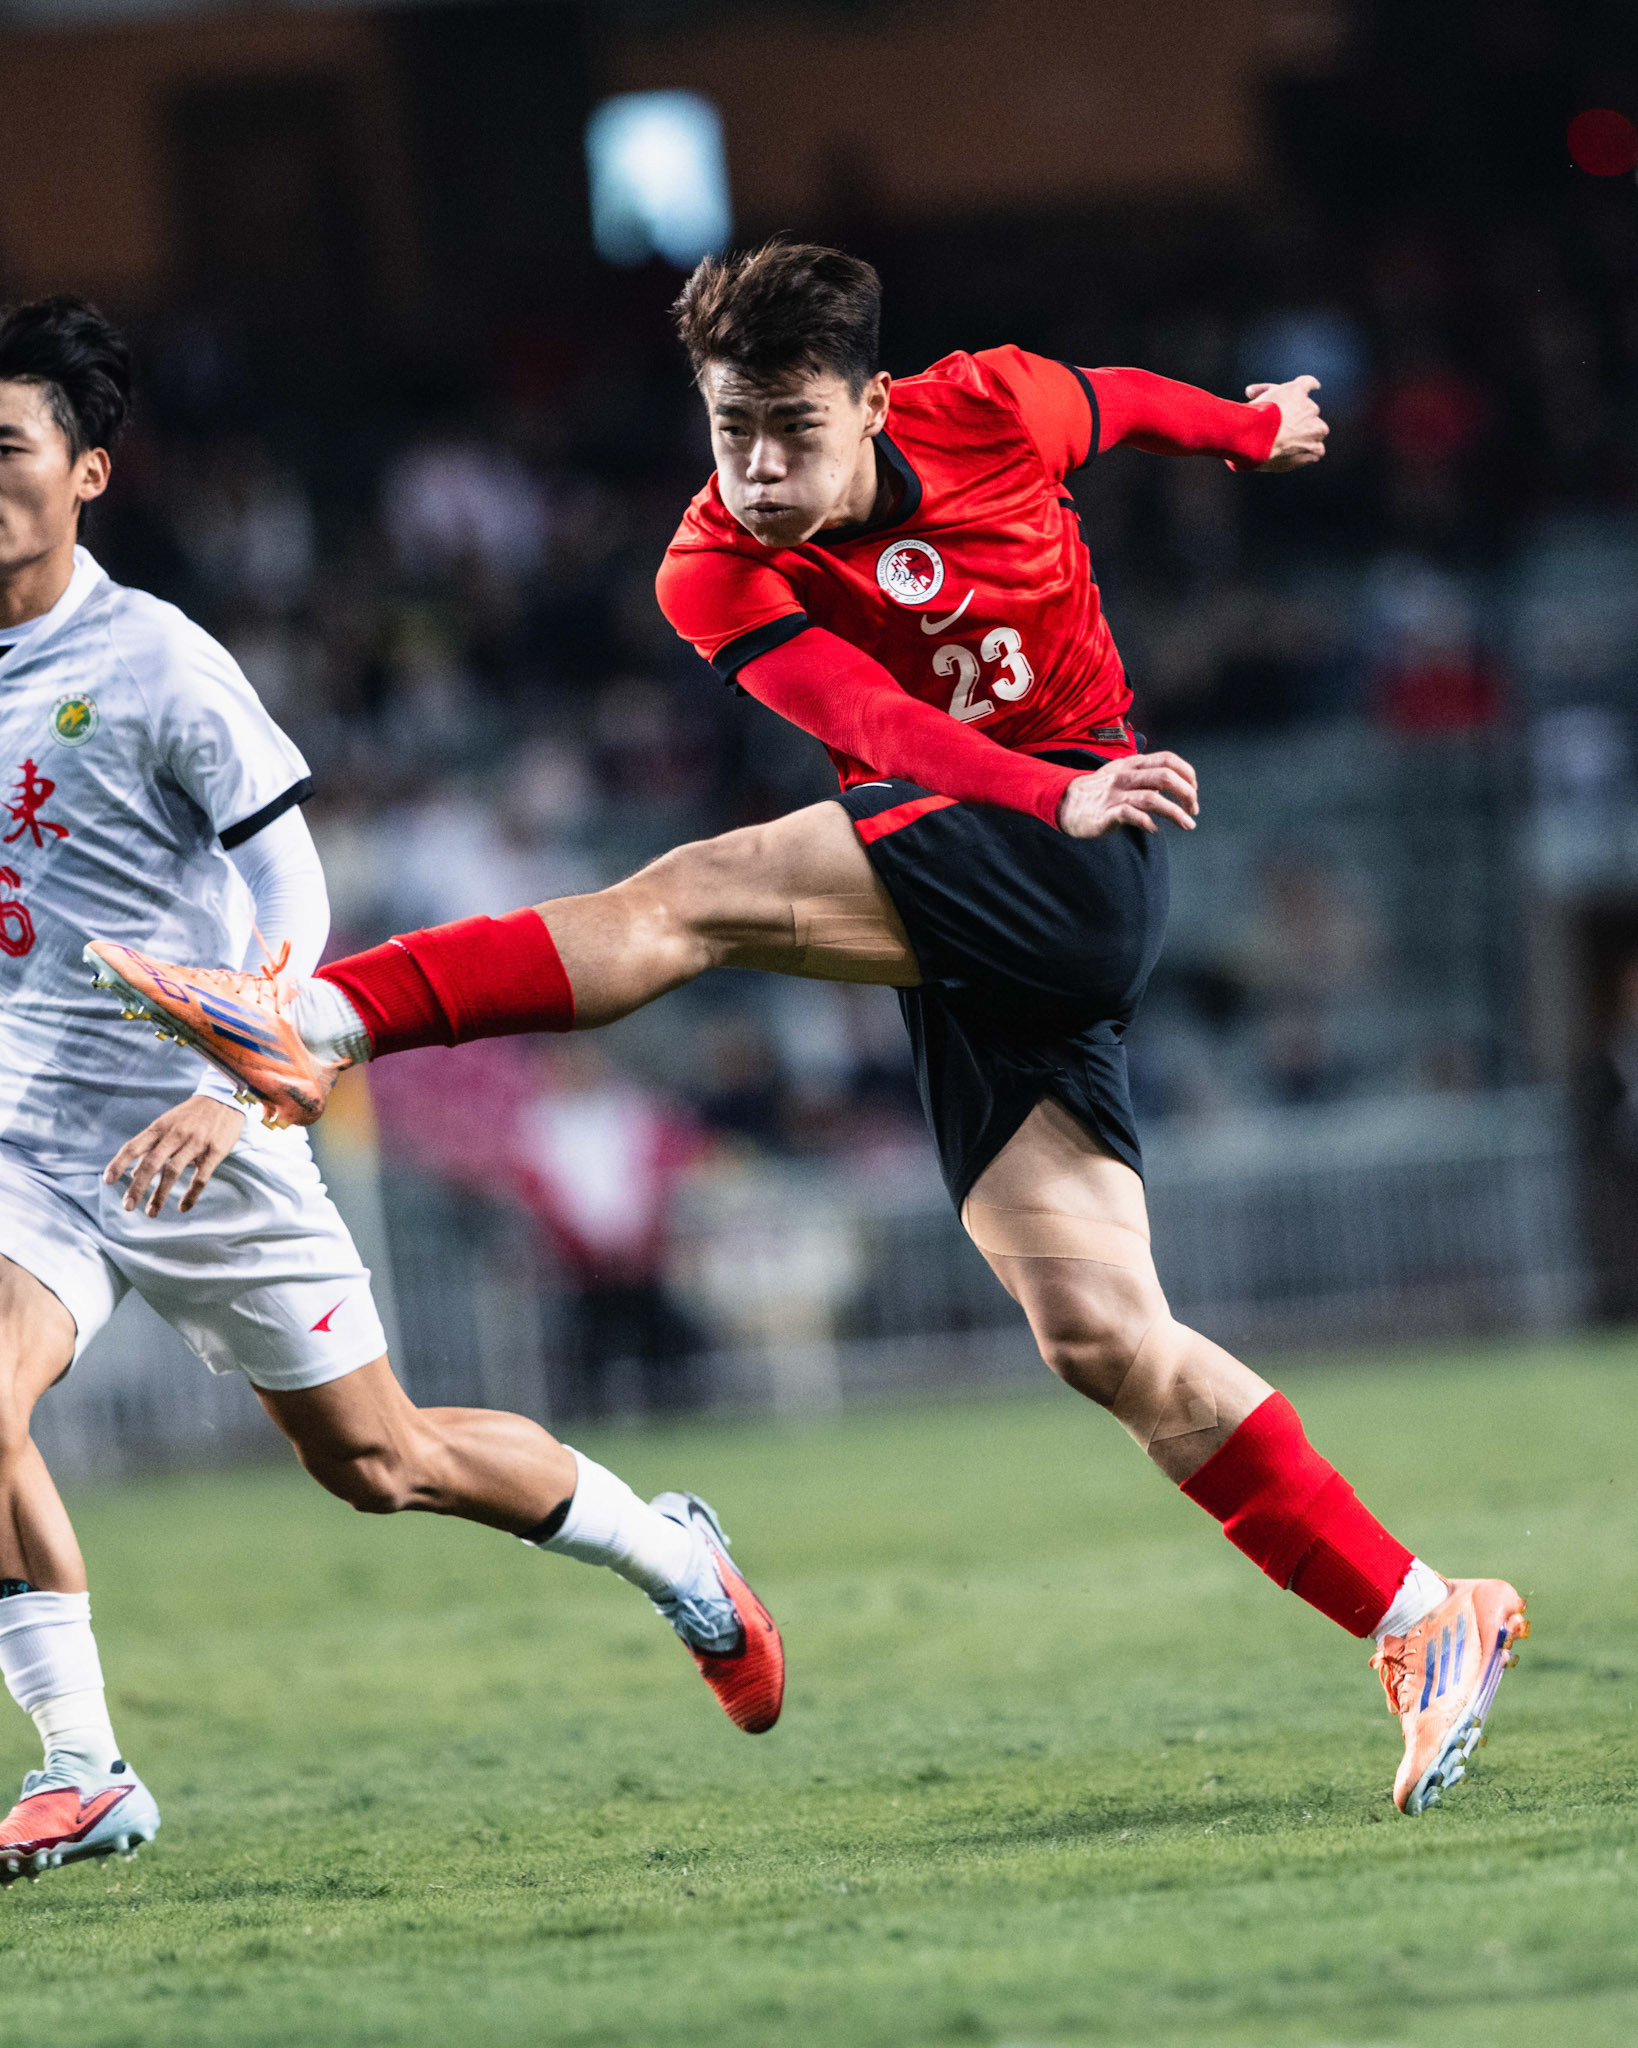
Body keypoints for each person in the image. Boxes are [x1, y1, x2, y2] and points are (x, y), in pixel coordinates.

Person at [100, 244, 1528, 1818]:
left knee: (696, 894)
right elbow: (874, 728)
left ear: (870, 400)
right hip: (1000, 864)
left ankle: (314, 1015)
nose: (760, 468)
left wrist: (1255, 431)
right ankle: (1423, 1615)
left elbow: (1120, 405)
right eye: (730, 431)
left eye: (791, 427)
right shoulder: (706, 566)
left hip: (1081, 855)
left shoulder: (991, 405)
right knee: (1104, 1337)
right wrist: (1035, 785)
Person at [0, 300, 784, 1885]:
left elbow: (286, 868)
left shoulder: (152, 661)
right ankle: (84, 1767)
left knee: (382, 1462)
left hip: (202, 1126)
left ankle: (670, 1551)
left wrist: (257, 1071)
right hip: (26, 1140)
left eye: (4, 447)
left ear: (86, 473)